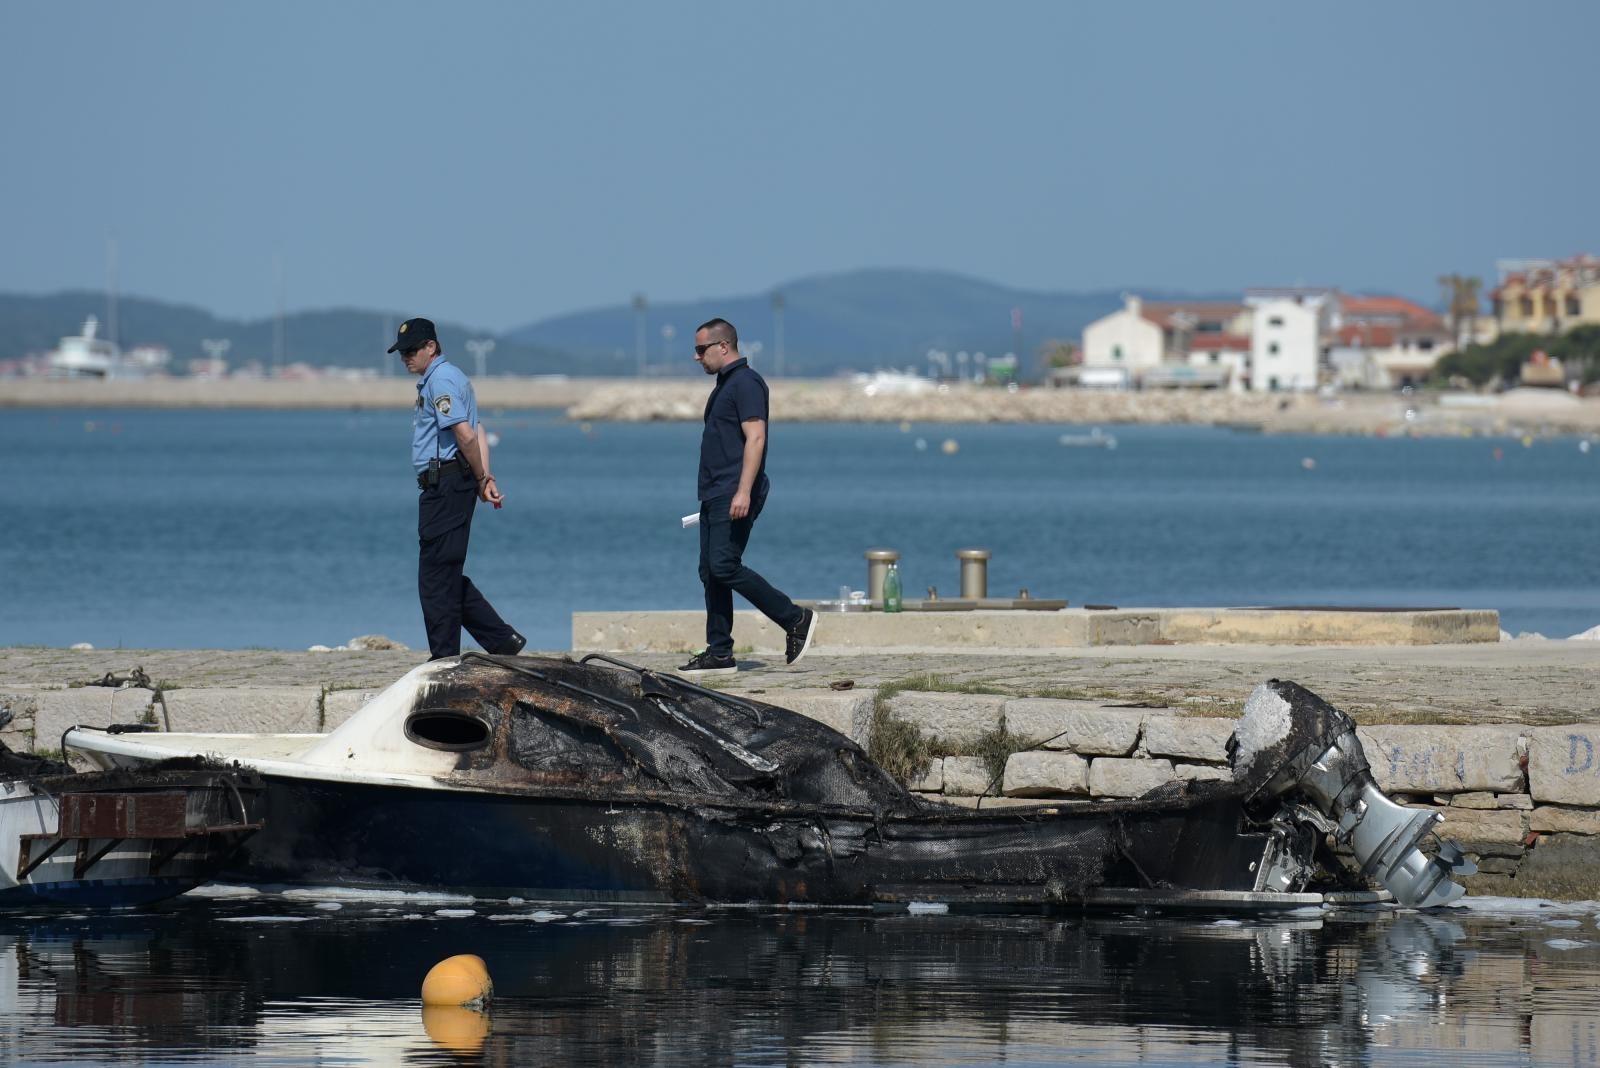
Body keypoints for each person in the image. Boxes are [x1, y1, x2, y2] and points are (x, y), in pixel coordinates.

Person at [680, 317, 816, 675]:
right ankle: (719, 652)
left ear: (723, 346)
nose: (696, 357)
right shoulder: (725, 384)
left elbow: (756, 438)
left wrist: (743, 491)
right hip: (714, 493)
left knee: (724, 565)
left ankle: (795, 618)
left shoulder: (747, 383)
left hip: (734, 492)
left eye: (700, 349)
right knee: (710, 571)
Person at [389, 317, 525, 660]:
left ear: (431, 347)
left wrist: (481, 479)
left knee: (434, 577)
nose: (405, 357)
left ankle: (445, 658)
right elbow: (479, 432)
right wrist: (485, 476)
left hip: (446, 484)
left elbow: (465, 434)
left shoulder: (442, 380)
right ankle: (500, 640)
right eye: (401, 352)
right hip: (453, 482)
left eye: (411, 350)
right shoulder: (448, 378)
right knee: (443, 571)